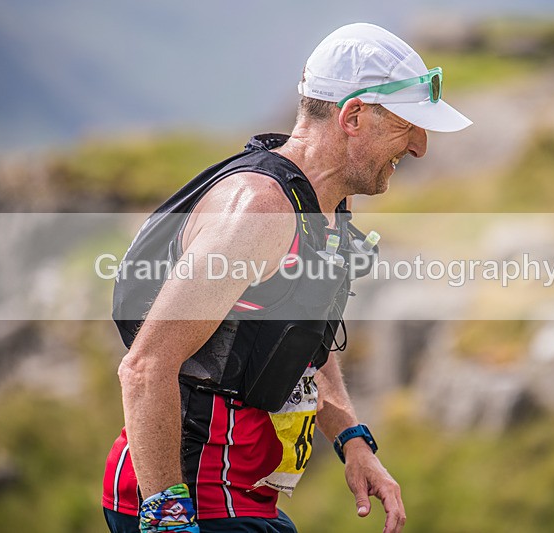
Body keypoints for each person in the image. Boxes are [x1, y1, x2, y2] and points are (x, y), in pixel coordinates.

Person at [101, 22, 472, 533]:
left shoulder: (325, 207)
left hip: (244, 500)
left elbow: (302, 337)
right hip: (188, 504)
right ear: (354, 116)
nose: (420, 147)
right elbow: (144, 368)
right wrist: (168, 522)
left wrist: (352, 440)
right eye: (408, 125)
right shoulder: (261, 212)